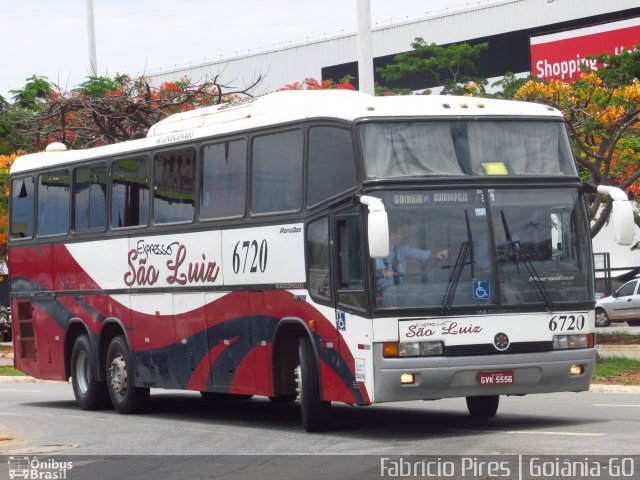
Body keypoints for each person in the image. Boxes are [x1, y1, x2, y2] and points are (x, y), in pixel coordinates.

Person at [376, 223, 448, 291]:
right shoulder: (379, 251)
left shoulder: (402, 247)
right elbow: (375, 274)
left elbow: (418, 254)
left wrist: (435, 255)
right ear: (391, 234)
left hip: (400, 292)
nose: (403, 236)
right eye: (400, 233)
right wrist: (384, 274)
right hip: (385, 294)